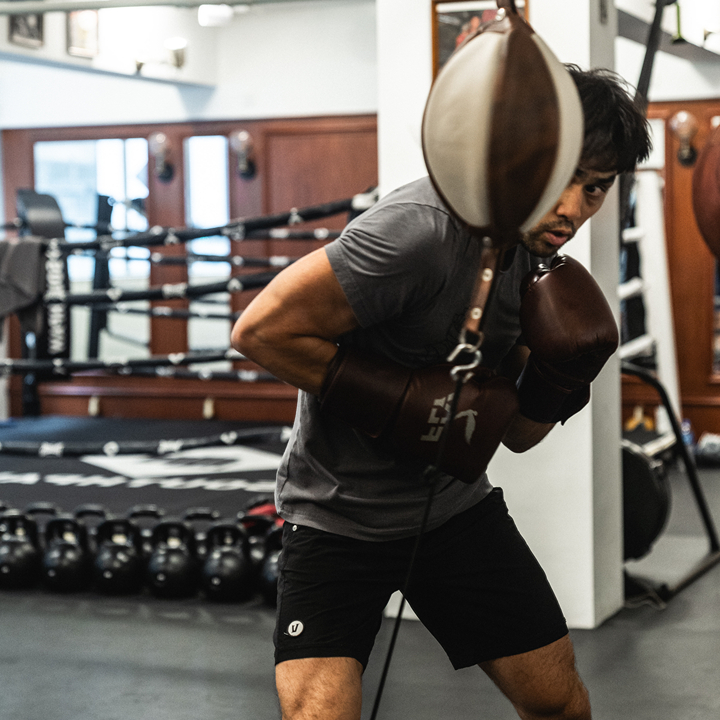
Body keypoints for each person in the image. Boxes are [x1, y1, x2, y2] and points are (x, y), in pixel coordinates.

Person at [231, 64, 651, 720]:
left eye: (594, 188)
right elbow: (261, 331)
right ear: (517, 155)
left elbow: (516, 433)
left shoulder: (533, 270)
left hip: (455, 515)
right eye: (560, 177)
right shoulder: (417, 231)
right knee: (317, 715)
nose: (573, 208)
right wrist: (407, 405)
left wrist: (559, 381)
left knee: (557, 702)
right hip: (338, 515)